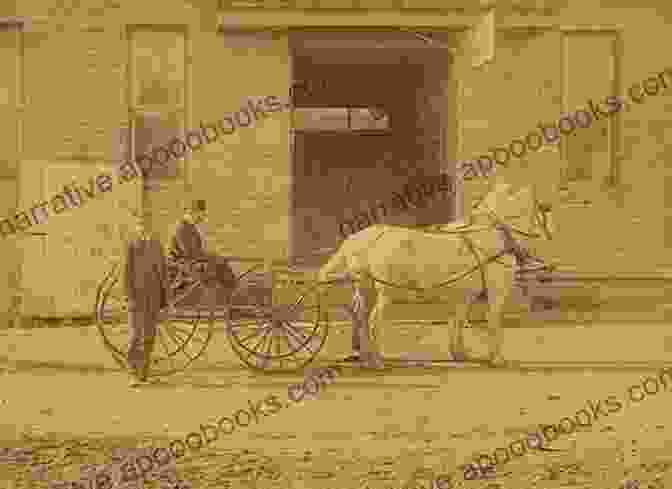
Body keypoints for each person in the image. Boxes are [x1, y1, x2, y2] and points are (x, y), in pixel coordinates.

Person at [123, 210, 167, 387]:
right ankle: (133, 374)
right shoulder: (133, 246)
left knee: (150, 336)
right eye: (141, 225)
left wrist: (165, 299)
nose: (143, 229)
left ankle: (144, 375)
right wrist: (129, 295)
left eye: (147, 226)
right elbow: (127, 273)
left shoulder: (157, 247)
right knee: (136, 336)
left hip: (153, 297)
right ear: (137, 227)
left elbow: (163, 274)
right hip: (137, 297)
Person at [169, 200, 237, 297]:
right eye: (201, 215)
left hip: (189, 263)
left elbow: (195, 252)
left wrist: (211, 256)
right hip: (182, 266)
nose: (202, 219)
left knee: (218, 263)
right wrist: (211, 257)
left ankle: (228, 291)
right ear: (193, 212)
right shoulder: (182, 228)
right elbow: (191, 253)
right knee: (217, 263)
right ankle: (229, 291)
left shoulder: (189, 227)